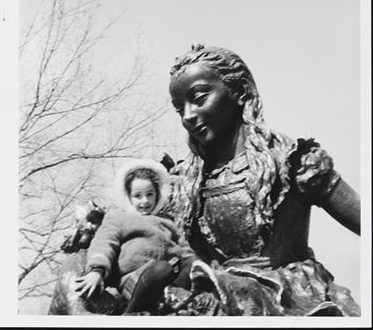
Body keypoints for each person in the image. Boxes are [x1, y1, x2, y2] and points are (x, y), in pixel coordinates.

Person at [167, 43, 361, 316]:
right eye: (179, 109)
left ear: (239, 91)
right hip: (218, 300)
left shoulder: (294, 161)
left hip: (290, 302)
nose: (188, 115)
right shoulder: (185, 182)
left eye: (199, 98)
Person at [73, 158, 197, 314]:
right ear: (129, 197)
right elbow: (104, 242)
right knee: (161, 269)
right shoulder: (119, 217)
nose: (145, 201)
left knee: (193, 264)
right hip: (135, 279)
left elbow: (184, 250)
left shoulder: (167, 221)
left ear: (157, 194)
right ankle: (132, 313)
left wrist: (197, 264)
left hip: (169, 281)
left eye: (149, 194)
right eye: (138, 195)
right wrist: (97, 270)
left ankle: (172, 301)